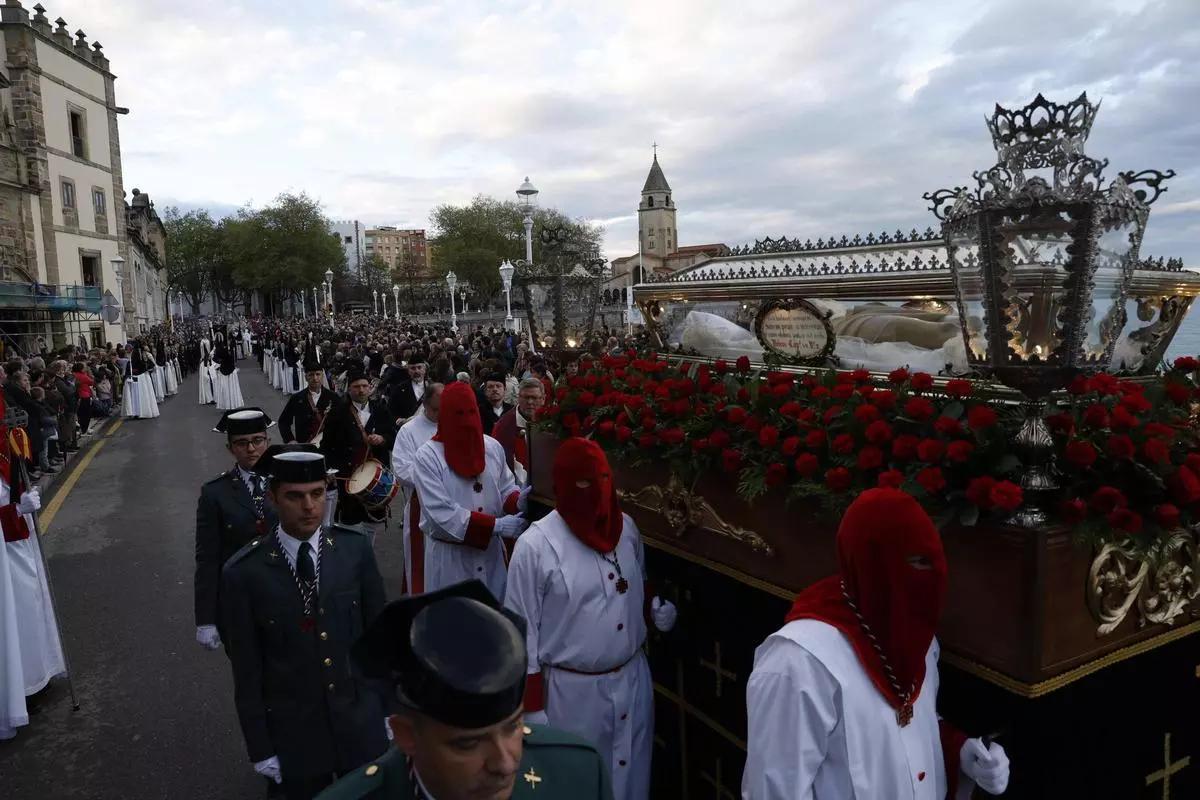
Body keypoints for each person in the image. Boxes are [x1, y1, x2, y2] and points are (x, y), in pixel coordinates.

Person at [741, 488, 1010, 799]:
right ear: (874, 564)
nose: (933, 577)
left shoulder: (917, 640)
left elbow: (903, 729)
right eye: (917, 562)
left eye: (935, 561)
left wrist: (960, 751)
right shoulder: (799, 666)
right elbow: (773, 792)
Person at [315, 580, 614, 800]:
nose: (506, 763)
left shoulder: (579, 776)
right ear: (406, 735)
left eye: (513, 727)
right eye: (468, 744)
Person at [504, 438, 676, 800]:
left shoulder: (626, 529)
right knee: (577, 785)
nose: (596, 489)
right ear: (564, 484)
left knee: (632, 779)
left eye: (603, 477)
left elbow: (633, 584)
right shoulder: (535, 548)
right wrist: (532, 710)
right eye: (584, 482)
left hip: (632, 681)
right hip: (571, 696)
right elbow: (520, 635)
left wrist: (652, 610)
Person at [221, 444, 389, 800]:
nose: (310, 507)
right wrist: (260, 745)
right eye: (295, 497)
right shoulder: (244, 573)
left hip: (358, 725)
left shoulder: (354, 550)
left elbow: (379, 640)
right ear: (273, 497)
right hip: (294, 733)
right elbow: (248, 670)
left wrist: (388, 711)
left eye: (317, 494)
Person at [411, 382, 527, 601]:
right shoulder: (428, 456)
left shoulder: (492, 447)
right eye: (458, 413)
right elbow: (441, 514)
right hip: (452, 561)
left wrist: (519, 501)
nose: (466, 420)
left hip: (490, 557)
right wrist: (496, 525)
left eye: (471, 412)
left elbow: (505, 487)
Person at [0, 392, 65, 740]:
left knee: (29, 603)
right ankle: (15, 690)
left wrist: (20, 500)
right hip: (4, 553)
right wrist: (13, 512)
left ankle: (33, 675)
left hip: (17, 546)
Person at [194, 408, 280, 653]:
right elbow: (208, 558)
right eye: (241, 443)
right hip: (240, 604)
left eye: (257, 441)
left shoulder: (287, 482)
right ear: (230, 448)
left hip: (286, 598)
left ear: (268, 442)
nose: (251, 449)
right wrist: (206, 618)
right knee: (250, 680)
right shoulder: (215, 493)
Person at [320, 369, 398, 531]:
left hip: (375, 473)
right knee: (350, 523)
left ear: (370, 388)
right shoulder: (338, 412)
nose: (361, 390)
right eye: (356, 386)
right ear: (349, 389)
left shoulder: (381, 409)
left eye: (364, 386)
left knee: (372, 524)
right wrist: (330, 469)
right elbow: (326, 445)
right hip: (348, 475)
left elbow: (393, 437)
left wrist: (383, 439)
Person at [389, 383, 443, 594]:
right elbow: (402, 469)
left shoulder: (453, 424)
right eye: (435, 410)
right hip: (420, 504)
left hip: (453, 502)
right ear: (425, 405)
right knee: (421, 562)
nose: (440, 415)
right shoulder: (409, 430)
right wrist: (437, 480)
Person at [490, 378, 545, 486]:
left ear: (543, 399)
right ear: (518, 398)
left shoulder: (550, 420)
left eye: (534, 398)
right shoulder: (504, 427)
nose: (530, 402)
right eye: (526, 397)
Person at [279, 361, 336, 444]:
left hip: (328, 446)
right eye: (311, 375)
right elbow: (283, 421)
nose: (315, 378)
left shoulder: (333, 397)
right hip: (305, 446)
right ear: (306, 377)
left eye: (318, 374)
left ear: (322, 376)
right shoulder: (297, 398)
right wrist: (290, 440)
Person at [385, 358, 426, 423]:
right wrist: (397, 420)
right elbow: (390, 410)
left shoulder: (432, 387)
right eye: (413, 368)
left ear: (424, 370)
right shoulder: (399, 388)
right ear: (408, 371)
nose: (416, 371)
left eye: (419, 367)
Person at [214, 340, 245, 411]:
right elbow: (230, 361)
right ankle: (233, 404)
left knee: (225, 389)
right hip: (230, 371)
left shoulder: (220, 352)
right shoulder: (226, 353)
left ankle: (226, 404)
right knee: (232, 388)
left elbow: (218, 360)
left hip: (224, 371)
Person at [478, 372, 512, 437]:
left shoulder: (512, 411)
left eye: (498, 386)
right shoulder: (479, 411)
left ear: (504, 389)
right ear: (485, 391)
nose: (495, 389)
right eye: (490, 387)